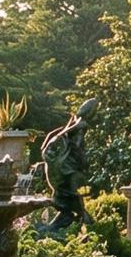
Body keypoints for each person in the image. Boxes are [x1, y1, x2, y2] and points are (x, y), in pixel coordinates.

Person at [39, 99, 97, 231]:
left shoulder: (73, 122)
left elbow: (56, 137)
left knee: (69, 198)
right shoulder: (81, 124)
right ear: (90, 113)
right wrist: (82, 160)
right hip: (66, 167)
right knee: (72, 197)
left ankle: (74, 222)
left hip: (62, 164)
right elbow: (77, 145)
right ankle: (88, 225)